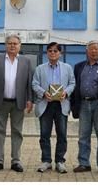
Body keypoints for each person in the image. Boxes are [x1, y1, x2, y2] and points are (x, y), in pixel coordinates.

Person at [0, 34, 33, 173]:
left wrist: (30, 100)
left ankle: (16, 161)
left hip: (19, 102)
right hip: (0, 101)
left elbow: (29, 83)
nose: (12, 46)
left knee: (17, 132)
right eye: (10, 43)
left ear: (20, 46)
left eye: (15, 43)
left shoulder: (26, 61)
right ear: (5, 45)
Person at [71, 40, 98, 175]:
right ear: (87, 51)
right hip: (84, 104)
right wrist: (74, 105)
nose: (94, 51)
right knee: (83, 135)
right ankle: (84, 163)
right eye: (91, 49)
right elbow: (75, 87)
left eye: (96, 49)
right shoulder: (79, 66)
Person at [32, 42, 75, 174]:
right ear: (47, 53)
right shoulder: (40, 68)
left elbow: (72, 83)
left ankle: (60, 161)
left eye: (55, 51)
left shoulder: (67, 68)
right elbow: (34, 84)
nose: (53, 53)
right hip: (46, 104)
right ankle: (46, 161)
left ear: (60, 53)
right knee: (44, 134)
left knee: (62, 134)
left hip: (61, 104)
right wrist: (43, 93)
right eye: (50, 51)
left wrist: (66, 92)